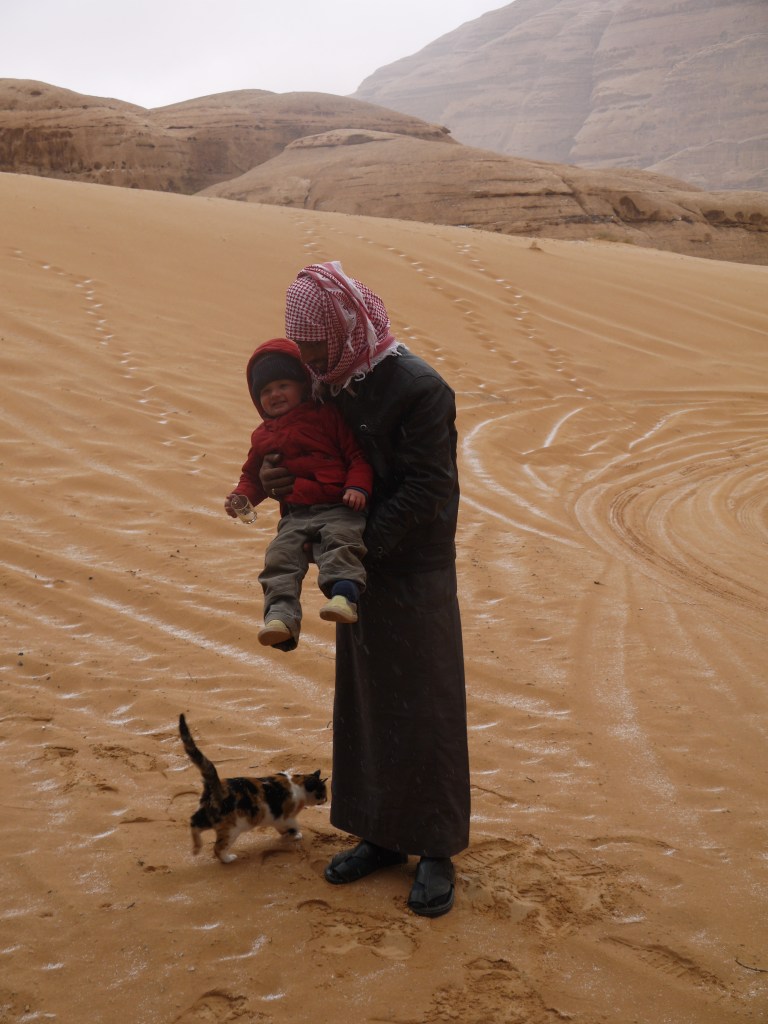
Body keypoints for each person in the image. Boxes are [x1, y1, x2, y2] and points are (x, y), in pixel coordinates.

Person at [260, 261, 470, 917]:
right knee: (368, 704)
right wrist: (279, 480)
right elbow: (313, 457)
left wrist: (358, 547)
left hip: (416, 567)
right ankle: (379, 834)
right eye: (307, 349)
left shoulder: (420, 387)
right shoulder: (331, 384)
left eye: (319, 346)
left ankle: (436, 848)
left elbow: (429, 490)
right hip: (355, 568)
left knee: (428, 705)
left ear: (348, 326)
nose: (313, 360)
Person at [225, 337, 373, 651]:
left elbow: (356, 457)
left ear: (302, 386)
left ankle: (344, 597)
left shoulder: (326, 416)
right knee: (279, 558)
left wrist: (358, 487)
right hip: (296, 516)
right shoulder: (262, 435)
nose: (274, 394)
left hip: (338, 507)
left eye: (282, 385)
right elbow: (252, 475)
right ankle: (280, 618)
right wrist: (242, 497)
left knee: (341, 544)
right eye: (265, 391)